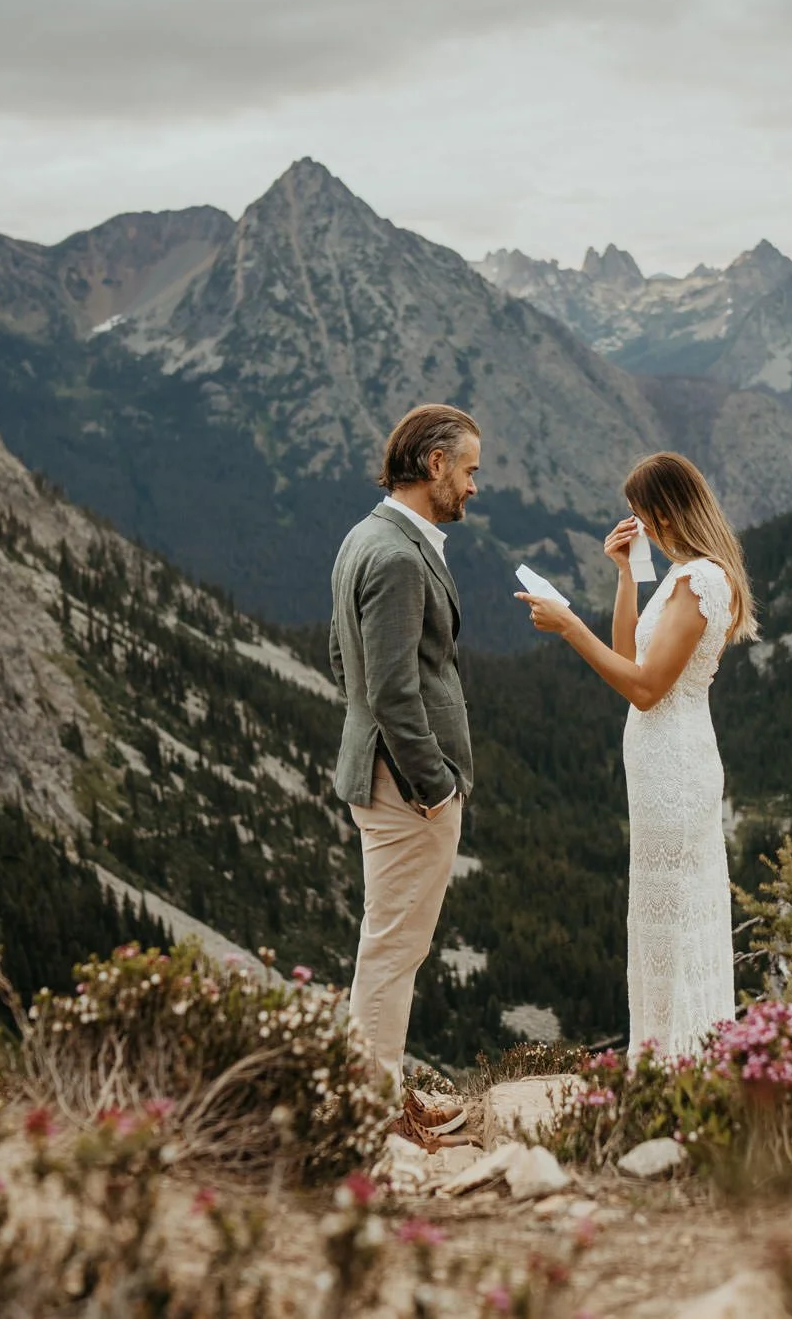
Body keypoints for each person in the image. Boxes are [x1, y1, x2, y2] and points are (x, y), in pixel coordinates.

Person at [515, 451, 758, 1056]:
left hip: (674, 761)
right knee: (661, 914)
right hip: (660, 762)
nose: (637, 526)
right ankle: (664, 1058)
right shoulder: (682, 577)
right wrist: (626, 573)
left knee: (676, 915)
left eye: (640, 516)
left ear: (666, 513)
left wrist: (570, 626)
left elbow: (646, 691)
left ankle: (682, 1060)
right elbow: (628, 657)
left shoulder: (700, 579)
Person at [329, 403, 482, 1145]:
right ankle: (375, 1114)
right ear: (435, 465)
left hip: (381, 774)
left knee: (392, 945)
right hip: (406, 788)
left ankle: (381, 1091)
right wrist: (434, 782)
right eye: (470, 469)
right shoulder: (393, 554)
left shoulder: (366, 536)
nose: (474, 486)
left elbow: (343, 659)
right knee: (392, 950)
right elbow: (391, 689)